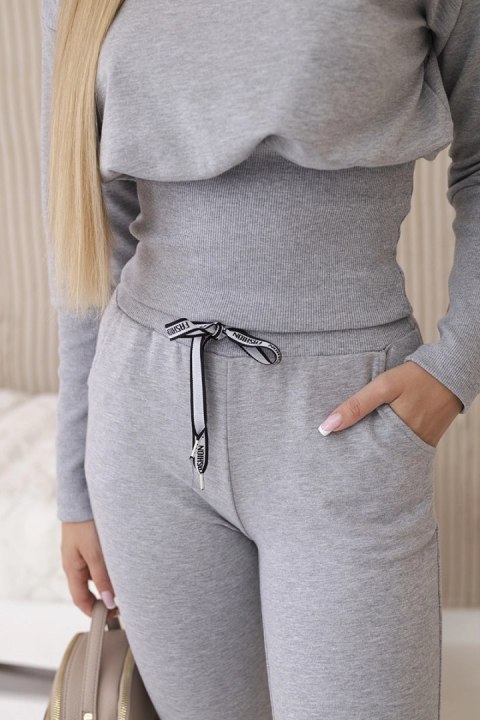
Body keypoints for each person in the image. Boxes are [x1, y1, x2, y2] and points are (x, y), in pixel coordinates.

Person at [40, 1, 479, 718]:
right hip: (143, 431)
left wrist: (455, 367)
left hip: (343, 425)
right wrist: (76, 492)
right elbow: (90, 229)